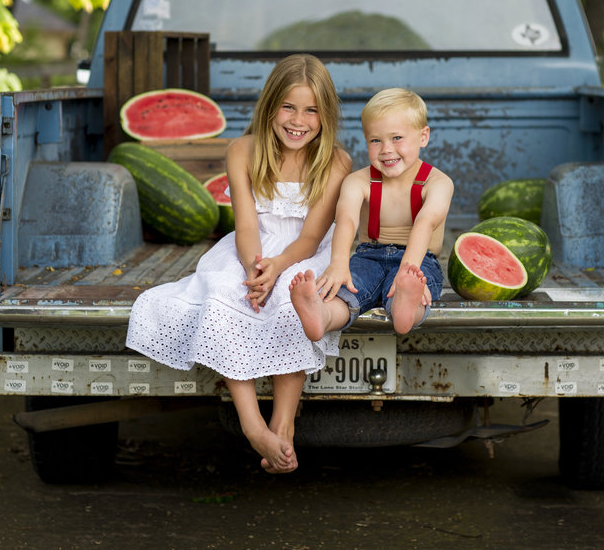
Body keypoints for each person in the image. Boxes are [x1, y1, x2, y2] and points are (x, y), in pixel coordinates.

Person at [126, 54, 352, 474]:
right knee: (226, 297)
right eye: (288, 107)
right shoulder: (242, 150)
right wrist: (254, 269)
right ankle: (252, 425)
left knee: (291, 303)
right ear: (269, 107)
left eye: (311, 110)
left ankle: (283, 425)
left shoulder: (336, 161)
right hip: (253, 249)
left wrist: (278, 268)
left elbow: (311, 236)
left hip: (303, 252)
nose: (298, 120)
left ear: (326, 115)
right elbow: (246, 225)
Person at [290, 87, 454, 340]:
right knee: (347, 290)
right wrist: (339, 264)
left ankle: (405, 309)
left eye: (397, 138)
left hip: (419, 261)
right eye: (375, 140)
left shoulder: (438, 182)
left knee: (414, 288)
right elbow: (346, 220)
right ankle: (321, 315)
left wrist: (406, 271)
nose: (386, 149)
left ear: (423, 136)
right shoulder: (359, 181)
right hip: (368, 256)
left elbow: (425, 222)